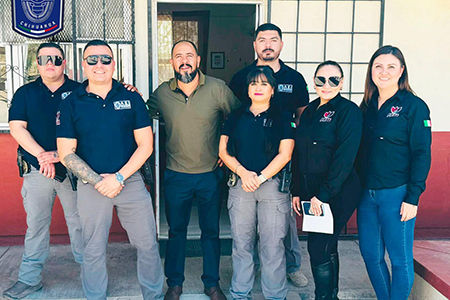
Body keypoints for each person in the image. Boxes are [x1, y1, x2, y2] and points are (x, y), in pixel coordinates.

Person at [56, 39, 164, 300]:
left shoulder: (131, 97)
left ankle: (154, 295)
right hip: (90, 184)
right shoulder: (71, 102)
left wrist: (118, 177)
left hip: (130, 181)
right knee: (92, 249)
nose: (99, 65)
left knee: (148, 244)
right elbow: (65, 153)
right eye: (92, 59)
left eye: (105, 59)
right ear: (83, 65)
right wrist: (98, 182)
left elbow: (146, 145)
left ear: (114, 64)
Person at [147, 40, 240, 300]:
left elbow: (239, 117)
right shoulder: (162, 93)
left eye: (189, 55)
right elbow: (143, 114)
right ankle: (174, 284)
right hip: (176, 176)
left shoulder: (217, 89)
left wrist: (228, 149)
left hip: (210, 175)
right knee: (177, 233)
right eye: (178, 56)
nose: (184, 60)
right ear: (172, 62)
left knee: (211, 232)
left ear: (198, 60)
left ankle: (212, 284)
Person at [229, 22, 310, 288]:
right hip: (246, 162)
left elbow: (303, 117)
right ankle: (247, 279)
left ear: (281, 45)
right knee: (246, 232)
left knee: (281, 224)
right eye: (262, 39)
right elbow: (232, 116)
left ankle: (291, 267)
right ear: (254, 45)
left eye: (273, 39)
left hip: (285, 156)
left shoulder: (294, 78)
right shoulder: (241, 78)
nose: (267, 44)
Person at [3, 42, 84, 300]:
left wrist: (60, 156)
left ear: (65, 63)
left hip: (74, 170)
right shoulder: (25, 93)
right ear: (37, 63)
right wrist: (43, 156)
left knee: (80, 225)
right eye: (44, 58)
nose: (50, 63)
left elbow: (90, 128)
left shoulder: (81, 91)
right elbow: (17, 128)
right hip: (38, 170)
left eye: (56, 58)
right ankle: (29, 280)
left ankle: (91, 277)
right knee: (36, 226)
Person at [357, 45, 432, 300]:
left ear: (401, 71)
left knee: (399, 259)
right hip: (367, 195)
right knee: (370, 255)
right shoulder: (365, 107)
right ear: (371, 71)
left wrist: (413, 197)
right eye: (378, 66)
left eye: (391, 66)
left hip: (397, 194)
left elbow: (422, 153)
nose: (384, 72)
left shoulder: (414, 106)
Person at [220, 65, 295, 300]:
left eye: (264, 84)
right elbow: (222, 151)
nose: (258, 88)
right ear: (248, 89)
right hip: (240, 185)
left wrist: (260, 177)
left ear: (273, 89)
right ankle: (240, 293)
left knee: (272, 244)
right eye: (254, 84)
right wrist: (244, 173)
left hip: (272, 186)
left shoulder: (283, 116)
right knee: (242, 243)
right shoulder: (235, 116)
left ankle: (275, 294)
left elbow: (286, 154)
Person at [292, 61, 363, 300]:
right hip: (312, 192)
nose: (327, 85)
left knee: (318, 247)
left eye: (333, 80)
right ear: (314, 82)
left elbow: (345, 158)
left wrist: (322, 196)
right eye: (321, 79)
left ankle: (323, 296)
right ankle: (330, 295)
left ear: (342, 83)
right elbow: (299, 153)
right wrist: (297, 191)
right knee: (327, 246)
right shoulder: (310, 111)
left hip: (338, 191)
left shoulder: (348, 111)